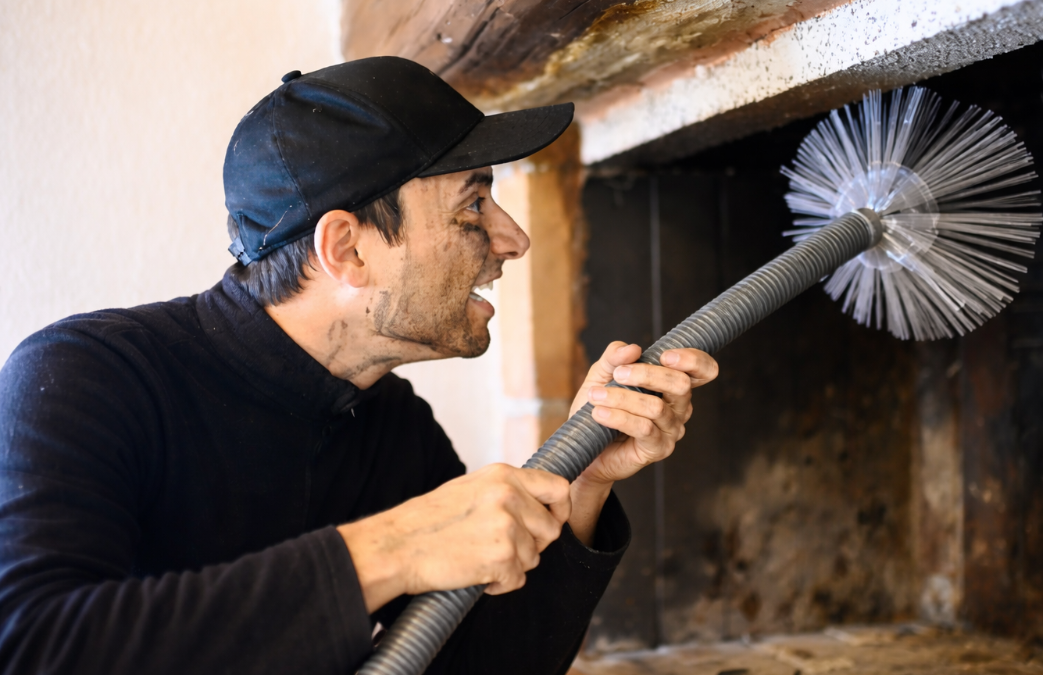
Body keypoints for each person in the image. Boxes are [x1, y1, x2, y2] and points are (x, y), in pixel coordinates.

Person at [0, 57, 718, 674]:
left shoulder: (389, 424)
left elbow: (482, 665)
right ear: (347, 248)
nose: (514, 238)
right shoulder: (82, 378)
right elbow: (35, 645)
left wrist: (585, 477)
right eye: (474, 205)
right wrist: (395, 547)